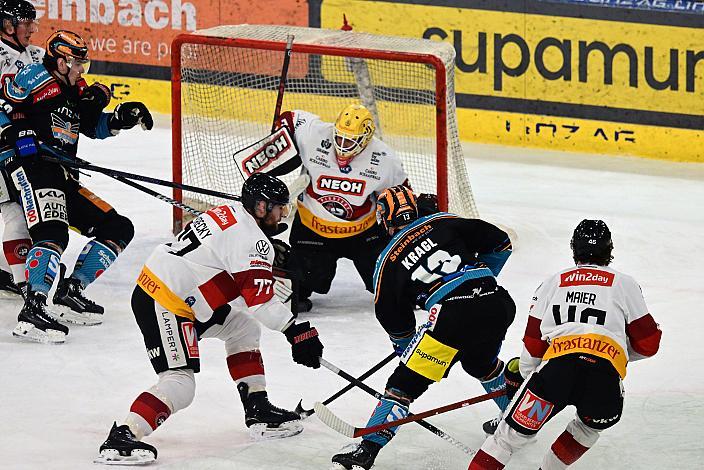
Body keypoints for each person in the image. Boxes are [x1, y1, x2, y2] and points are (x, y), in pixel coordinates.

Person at [95, 173, 325, 465]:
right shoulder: (253, 240)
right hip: (165, 301)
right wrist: (296, 331)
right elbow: (260, 301)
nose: (283, 214)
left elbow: (233, 286)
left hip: (175, 293)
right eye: (279, 207)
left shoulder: (227, 212)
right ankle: (123, 436)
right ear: (261, 207)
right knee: (180, 383)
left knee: (243, 328)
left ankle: (257, 408)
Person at [331, 185, 516, 470]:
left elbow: (392, 316)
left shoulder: (386, 259)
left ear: (384, 219)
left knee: (403, 385)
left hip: (453, 317)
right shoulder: (444, 220)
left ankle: (366, 449)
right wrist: (481, 278)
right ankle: (519, 419)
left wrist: (407, 349)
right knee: (481, 364)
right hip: (498, 304)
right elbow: (501, 242)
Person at [468, 219, 662, 470]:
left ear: (574, 249)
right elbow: (649, 343)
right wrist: (612, 350)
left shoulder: (553, 282)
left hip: (556, 374)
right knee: (586, 430)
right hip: (603, 381)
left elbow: (533, 342)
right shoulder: (624, 283)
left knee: (505, 439)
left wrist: (530, 382)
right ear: (609, 250)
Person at [0, 29, 153, 343]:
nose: (81, 69)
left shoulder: (76, 88)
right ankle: (34, 306)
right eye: (76, 62)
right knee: (52, 232)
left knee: (117, 227)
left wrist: (119, 120)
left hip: (63, 172)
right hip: (32, 167)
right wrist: (16, 134)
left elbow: (91, 127)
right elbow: (3, 105)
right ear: (59, 59)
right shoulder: (34, 76)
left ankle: (71, 290)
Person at [278, 104, 410, 313]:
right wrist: (279, 130)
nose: (341, 144)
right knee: (301, 287)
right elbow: (291, 118)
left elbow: (400, 195)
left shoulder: (384, 158)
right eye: (339, 137)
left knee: (391, 286)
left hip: (363, 233)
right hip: (312, 228)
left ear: (365, 140)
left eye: (349, 141)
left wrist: (400, 227)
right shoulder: (315, 134)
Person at [0, 0, 42, 297]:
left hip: (23, 146)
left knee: (18, 210)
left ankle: (13, 274)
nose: (31, 28)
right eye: (25, 22)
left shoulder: (36, 56)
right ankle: (24, 283)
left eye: (32, 22)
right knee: (16, 211)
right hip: (5, 146)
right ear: (7, 25)